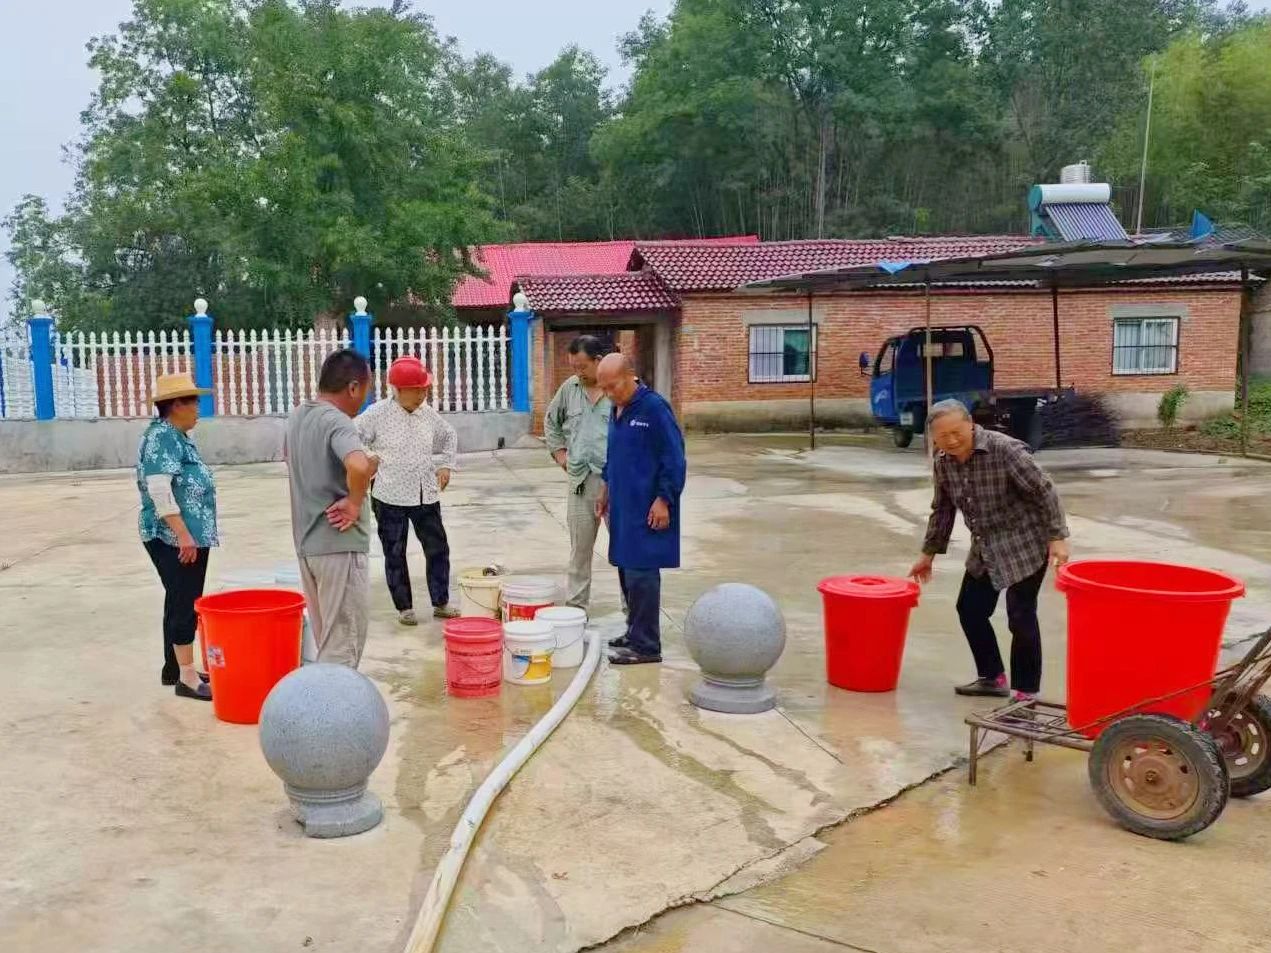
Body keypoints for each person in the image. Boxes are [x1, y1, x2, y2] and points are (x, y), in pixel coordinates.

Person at [908, 399, 1071, 701]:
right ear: (933, 438)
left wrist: (1057, 536)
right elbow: (942, 510)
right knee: (970, 609)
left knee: (1020, 615)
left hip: (1025, 542)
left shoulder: (1005, 450)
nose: (952, 441)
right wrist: (927, 555)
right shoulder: (943, 463)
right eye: (943, 436)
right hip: (986, 545)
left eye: (957, 432)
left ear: (971, 424)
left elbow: (1044, 490)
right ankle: (992, 677)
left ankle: (1026, 693)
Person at [285, 349, 378, 668]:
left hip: (308, 546)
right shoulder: (338, 421)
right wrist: (354, 502)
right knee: (343, 647)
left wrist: (362, 470)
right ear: (353, 387)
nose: (365, 398)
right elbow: (357, 465)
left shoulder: (299, 416)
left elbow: (312, 465)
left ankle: (322, 698)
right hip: (339, 545)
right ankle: (334, 701)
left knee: (327, 641)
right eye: (365, 389)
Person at [595, 353, 686, 665]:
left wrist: (664, 499)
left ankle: (647, 646)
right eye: (604, 388)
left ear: (630, 375)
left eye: (613, 386)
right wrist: (605, 489)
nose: (609, 394)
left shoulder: (654, 408)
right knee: (626, 570)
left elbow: (674, 458)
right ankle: (634, 632)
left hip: (648, 507)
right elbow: (614, 454)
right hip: (623, 505)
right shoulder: (617, 409)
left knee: (642, 574)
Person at [357, 355, 460, 625]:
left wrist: (445, 465)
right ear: (398, 390)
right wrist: (369, 458)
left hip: (425, 493)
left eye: (425, 389)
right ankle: (404, 607)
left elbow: (449, 436)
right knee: (395, 552)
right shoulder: (377, 414)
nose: (422, 395)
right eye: (417, 390)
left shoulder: (428, 414)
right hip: (389, 495)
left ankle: (441, 602)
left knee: (438, 548)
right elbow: (351, 436)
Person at [137, 372, 218, 701]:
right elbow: (159, 488)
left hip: (185, 535)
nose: (198, 407)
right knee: (184, 601)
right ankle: (186, 676)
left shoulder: (177, 436)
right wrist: (183, 533)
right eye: (194, 401)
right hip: (174, 537)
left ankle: (175, 668)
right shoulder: (164, 437)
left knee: (179, 598)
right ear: (175, 406)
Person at [544, 335, 613, 611]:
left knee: (625, 551)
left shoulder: (617, 389)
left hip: (615, 482)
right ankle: (576, 610)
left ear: (599, 361)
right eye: (574, 367)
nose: (578, 373)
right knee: (580, 552)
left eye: (582, 367)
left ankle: (631, 611)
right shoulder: (569, 388)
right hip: (581, 482)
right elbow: (551, 422)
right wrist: (561, 455)